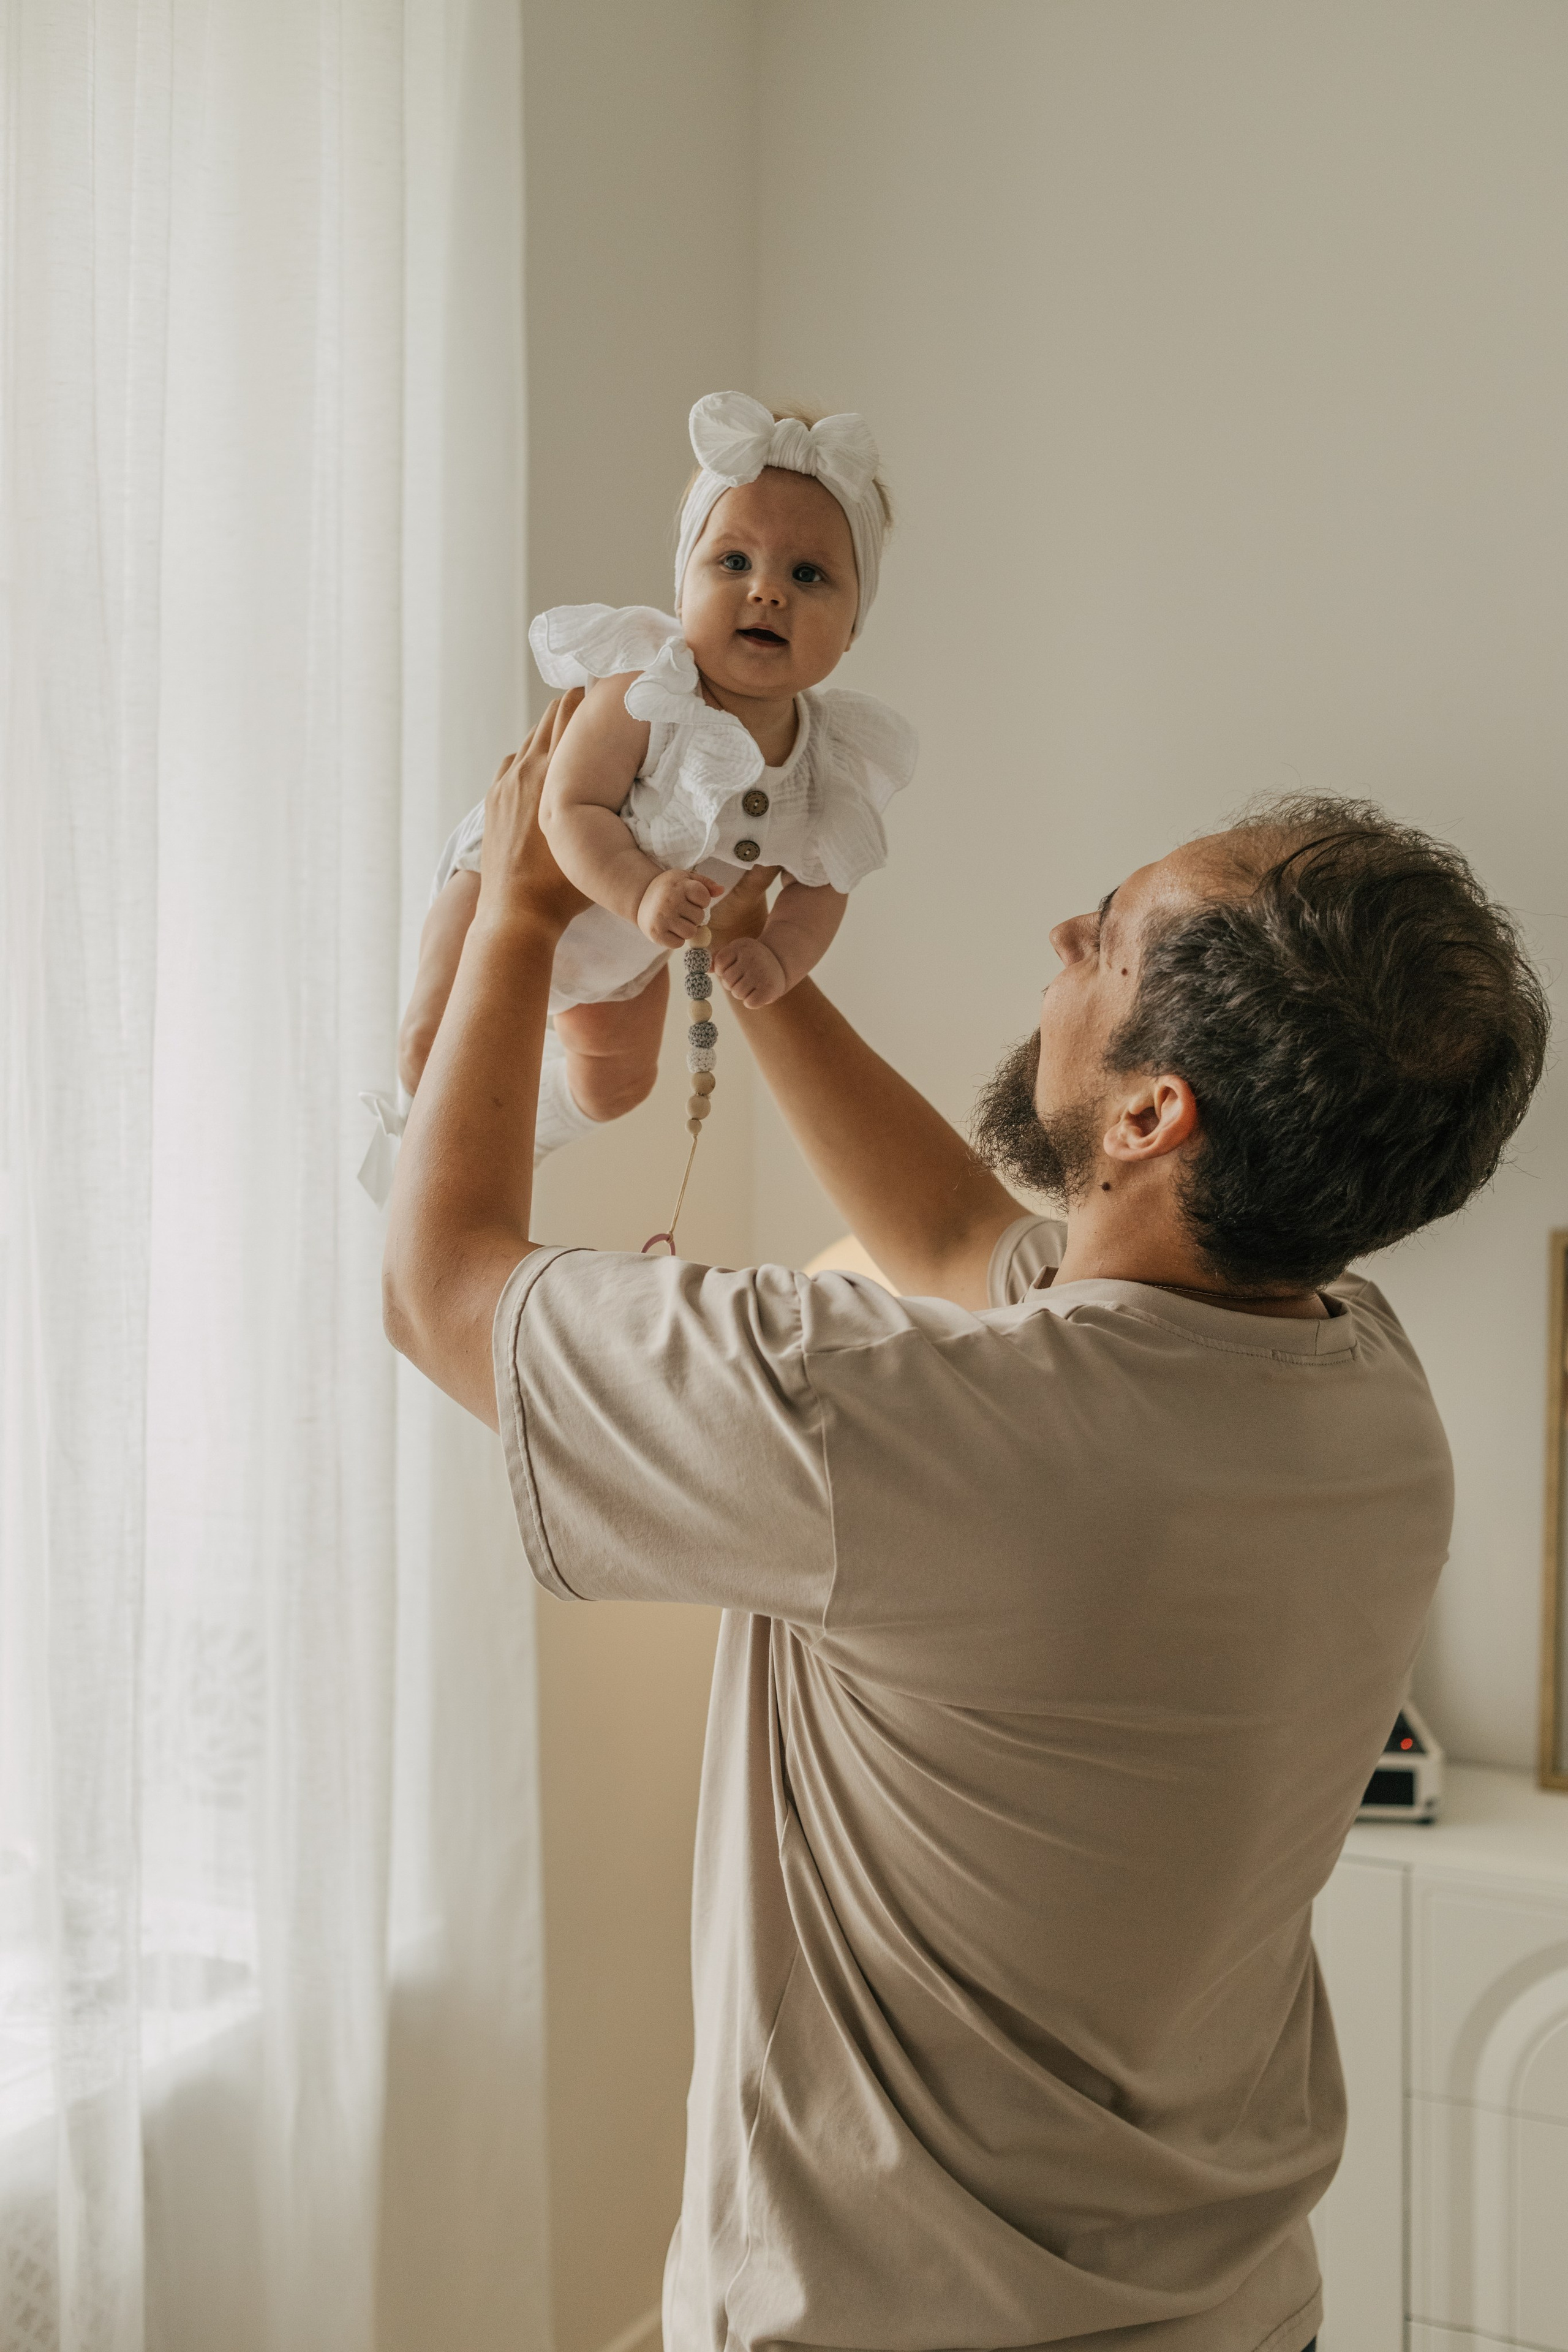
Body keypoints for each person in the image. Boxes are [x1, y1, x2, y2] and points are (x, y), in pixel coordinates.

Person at [382, 704, 1548, 2352]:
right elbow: (951, 1231)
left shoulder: (890, 1422)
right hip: (1226, 2311)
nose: (1064, 937)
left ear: (1150, 1117)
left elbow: (442, 1292)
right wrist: (753, 972)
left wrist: (515, 906)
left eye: (1109, 937)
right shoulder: (1360, 1383)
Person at [397, 392, 915, 1163]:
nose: (767, 590)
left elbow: (822, 884)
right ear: (682, 589)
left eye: (808, 574)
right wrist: (639, 890)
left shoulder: (826, 763)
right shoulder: (648, 690)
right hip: (502, 891)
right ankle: (423, 1157)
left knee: (620, 1084)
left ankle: (519, 1141)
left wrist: (781, 954)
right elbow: (569, 807)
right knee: (430, 1052)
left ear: (851, 629)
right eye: (733, 562)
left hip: (624, 961)